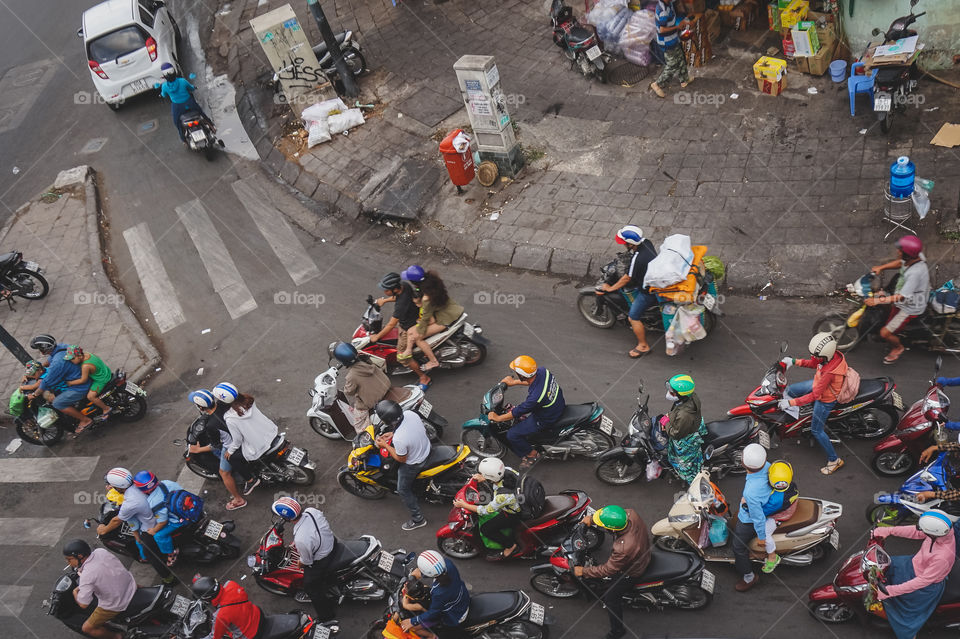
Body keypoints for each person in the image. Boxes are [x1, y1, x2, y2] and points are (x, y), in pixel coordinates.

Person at [871, 510, 957, 639]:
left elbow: (922, 581)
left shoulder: (942, 557)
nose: (923, 532)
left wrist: (891, 591)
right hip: (912, 564)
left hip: (924, 586)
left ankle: (909, 635)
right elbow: (916, 532)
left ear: (934, 534)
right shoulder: (941, 532)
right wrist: (888, 530)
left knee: (906, 618)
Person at [574, 505, 652, 639]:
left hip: (632, 571)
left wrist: (584, 571)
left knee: (610, 598)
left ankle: (617, 631)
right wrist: (592, 519)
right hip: (643, 550)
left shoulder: (623, 547)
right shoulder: (631, 514)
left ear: (612, 529)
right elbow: (613, 516)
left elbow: (608, 569)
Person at [779, 333, 848, 475]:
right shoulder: (829, 357)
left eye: (816, 356)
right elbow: (814, 363)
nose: (813, 358)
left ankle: (834, 460)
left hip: (825, 399)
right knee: (790, 390)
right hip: (819, 383)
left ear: (825, 356)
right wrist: (793, 361)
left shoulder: (829, 372)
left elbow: (816, 395)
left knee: (816, 430)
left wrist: (790, 403)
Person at [487, 356, 566, 470]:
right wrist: (514, 382)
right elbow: (533, 381)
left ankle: (532, 454)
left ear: (522, 375)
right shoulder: (544, 371)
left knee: (512, 434)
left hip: (546, 418)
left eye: (516, 372)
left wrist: (498, 418)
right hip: (558, 404)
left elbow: (518, 411)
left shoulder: (535, 398)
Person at [96, 468, 174, 583]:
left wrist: (103, 530)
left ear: (118, 487)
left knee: (149, 553)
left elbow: (116, 521)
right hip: (167, 512)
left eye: (112, 486)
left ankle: (169, 579)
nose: (110, 487)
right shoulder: (140, 484)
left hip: (153, 525)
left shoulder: (130, 503)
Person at [865, 235, 931, 365]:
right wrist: (881, 267)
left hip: (909, 306)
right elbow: (900, 263)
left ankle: (898, 347)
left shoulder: (915, 273)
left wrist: (877, 301)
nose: (898, 252)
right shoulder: (916, 257)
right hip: (904, 294)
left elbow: (901, 297)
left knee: (884, 333)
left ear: (908, 254)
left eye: (900, 251)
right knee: (884, 302)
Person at [272, 497, 338, 622]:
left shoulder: (301, 538)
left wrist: (299, 564)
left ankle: (327, 616)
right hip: (331, 542)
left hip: (324, 558)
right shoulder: (311, 511)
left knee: (310, 586)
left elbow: (307, 561)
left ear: (287, 519)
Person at [597, 225, 659, 358]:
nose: (624, 245)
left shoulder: (638, 258)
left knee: (633, 317)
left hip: (648, 291)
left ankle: (643, 346)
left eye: (625, 243)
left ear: (631, 244)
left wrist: (610, 288)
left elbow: (627, 278)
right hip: (654, 277)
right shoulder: (647, 242)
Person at [63, 539, 136, 639]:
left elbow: (84, 604)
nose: (68, 562)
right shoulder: (100, 551)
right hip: (130, 585)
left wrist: (75, 592)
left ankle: (118, 636)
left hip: (117, 602)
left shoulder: (87, 575)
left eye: (69, 559)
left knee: (87, 628)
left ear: (79, 556)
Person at [376, 400, 432, 530]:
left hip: (416, 462)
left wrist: (385, 445)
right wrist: (393, 434)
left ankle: (418, 519)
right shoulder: (410, 414)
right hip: (426, 447)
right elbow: (409, 430)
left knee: (402, 489)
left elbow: (400, 459)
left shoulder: (399, 439)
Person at [369, 272, 431, 389]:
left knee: (402, 356)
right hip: (414, 315)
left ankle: (424, 377)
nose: (384, 292)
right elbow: (396, 297)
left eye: (386, 290)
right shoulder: (404, 286)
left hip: (409, 326)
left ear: (395, 289)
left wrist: (376, 337)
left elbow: (391, 324)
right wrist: (385, 301)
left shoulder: (401, 306)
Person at [215, 381, 278, 496]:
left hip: (258, 445)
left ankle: (251, 480)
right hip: (270, 432)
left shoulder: (230, 418)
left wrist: (230, 451)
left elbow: (237, 440)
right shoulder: (248, 400)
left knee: (231, 458)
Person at [188, 389, 247, 510]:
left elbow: (216, 445)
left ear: (201, 407)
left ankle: (238, 499)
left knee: (224, 473)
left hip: (232, 446)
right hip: (243, 434)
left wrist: (198, 450)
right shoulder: (222, 405)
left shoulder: (211, 425)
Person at [452, 457, 521, 560]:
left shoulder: (502, 496)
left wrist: (463, 505)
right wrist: (485, 478)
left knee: (486, 529)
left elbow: (485, 510)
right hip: (518, 497)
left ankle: (510, 546)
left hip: (513, 514)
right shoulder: (508, 470)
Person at [27, 333, 93, 433]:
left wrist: (34, 394)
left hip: (79, 386)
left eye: (40, 349)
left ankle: (85, 420)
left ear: (44, 349)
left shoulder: (58, 362)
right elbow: (49, 361)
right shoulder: (61, 347)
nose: (40, 351)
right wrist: (39, 368)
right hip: (80, 375)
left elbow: (46, 382)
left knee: (57, 403)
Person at [401, 551, 470, 639]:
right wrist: (421, 573)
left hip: (456, 614)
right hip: (462, 597)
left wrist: (412, 621)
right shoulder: (448, 564)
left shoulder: (438, 592)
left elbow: (433, 613)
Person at [731, 443, 771, 592]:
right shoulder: (768, 466)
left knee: (737, 547)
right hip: (759, 504)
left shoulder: (751, 493)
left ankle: (749, 576)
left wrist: (762, 536)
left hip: (748, 520)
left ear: (742, 464)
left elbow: (757, 517)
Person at [406, 269, 464, 372]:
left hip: (445, 318)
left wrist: (419, 331)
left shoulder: (426, 298)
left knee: (417, 338)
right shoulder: (433, 281)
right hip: (450, 308)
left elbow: (426, 318)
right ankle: (409, 350)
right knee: (410, 331)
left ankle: (433, 361)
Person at [334, 341, 392, 434]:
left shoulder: (352, 375)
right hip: (386, 387)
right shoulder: (366, 359)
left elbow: (349, 392)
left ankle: (366, 439)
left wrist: (346, 387)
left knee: (358, 423)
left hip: (373, 401)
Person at [133, 470, 185, 567]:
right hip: (188, 507)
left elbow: (163, 522)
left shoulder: (153, 502)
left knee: (159, 536)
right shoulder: (167, 483)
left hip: (178, 521)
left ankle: (171, 553)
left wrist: (153, 530)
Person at [663, 374, 707, 484]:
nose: (669, 393)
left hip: (686, 438)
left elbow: (676, 433)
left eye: (672, 392)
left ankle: (691, 481)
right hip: (692, 424)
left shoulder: (684, 415)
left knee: (684, 464)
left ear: (682, 396)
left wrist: (666, 423)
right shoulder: (691, 397)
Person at [759, 461, 799, 574]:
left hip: (780, 515)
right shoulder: (789, 483)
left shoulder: (776, 501)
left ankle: (772, 557)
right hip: (789, 505)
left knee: (764, 533)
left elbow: (763, 512)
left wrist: (748, 509)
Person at [192, 576, 262, 639]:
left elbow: (214, 637)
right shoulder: (231, 584)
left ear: (208, 598)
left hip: (249, 635)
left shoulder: (220, 616)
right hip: (257, 614)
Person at [158, 62, 211, 143]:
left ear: (164, 76)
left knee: (177, 123)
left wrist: (161, 95)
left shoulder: (164, 86)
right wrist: (194, 87)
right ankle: (211, 126)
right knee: (201, 114)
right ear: (174, 71)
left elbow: (164, 95)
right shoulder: (182, 81)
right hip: (190, 103)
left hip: (178, 107)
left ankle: (184, 140)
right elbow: (191, 88)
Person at [650, 0, 692, 98]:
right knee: (672, 65)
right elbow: (661, 30)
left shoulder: (669, 4)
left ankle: (684, 79)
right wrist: (677, 27)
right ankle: (657, 84)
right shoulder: (663, 11)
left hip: (673, 39)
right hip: (667, 42)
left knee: (680, 57)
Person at [64, 345, 113, 417]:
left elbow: (83, 380)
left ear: (80, 356)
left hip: (102, 380)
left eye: (72, 359)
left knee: (90, 397)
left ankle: (106, 408)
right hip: (106, 371)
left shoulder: (85, 366)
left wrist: (70, 383)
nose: (71, 361)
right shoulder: (87, 354)